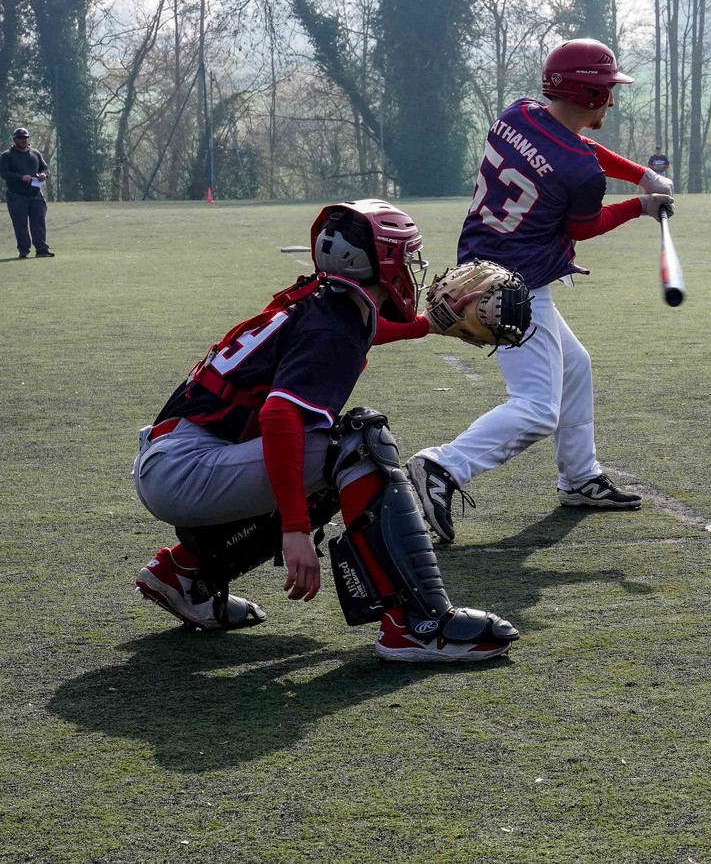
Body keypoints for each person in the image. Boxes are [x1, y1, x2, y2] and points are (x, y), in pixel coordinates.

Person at [132, 199, 519, 662]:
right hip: (187, 467)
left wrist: (425, 326)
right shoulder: (332, 323)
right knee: (358, 443)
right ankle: (419, 623)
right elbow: (280, 416)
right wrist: (295, 529)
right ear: (382, 261)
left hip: (179, 456)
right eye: (408, 253)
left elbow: (355, 336)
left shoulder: (325, 302)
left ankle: (183, 573)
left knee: (331, 466)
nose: (416, 266)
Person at [406, 38, 675, 543]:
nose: (611, 100)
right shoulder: (578, 170)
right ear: (590, 95)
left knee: (576, 367)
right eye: (606, 91)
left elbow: (576, 147)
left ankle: (580, 477)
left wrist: (642, 176)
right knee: (535, 409)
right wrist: (642, 206)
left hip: (485, 262)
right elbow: (584, 225)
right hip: (516, 287)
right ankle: (442, 467)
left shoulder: (519, 113)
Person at [2, 127, 53, 257]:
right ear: (14, 140)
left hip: (36, 194)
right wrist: (21, 177)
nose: (23, 140)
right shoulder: (7, 155)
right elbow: (4, 173)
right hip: (17, 195)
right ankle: (23, 250)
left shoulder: (35, 153)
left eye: (25, 138)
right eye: (20, 138)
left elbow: (45, 167)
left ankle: (42, 249)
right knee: (20, 224)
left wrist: (43, 174)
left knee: (39, 222)